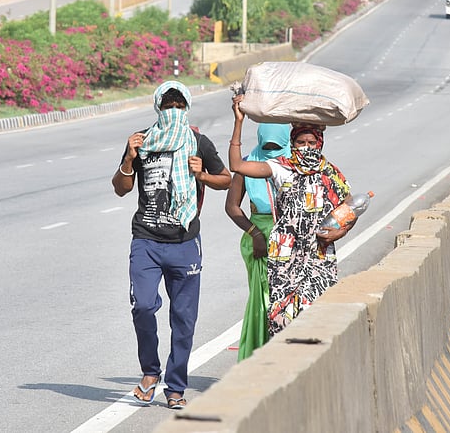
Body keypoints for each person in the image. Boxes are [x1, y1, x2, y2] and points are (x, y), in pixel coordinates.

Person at [112, 80, 231, 409]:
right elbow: (121, 188)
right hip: (146, 241)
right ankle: (151, 372)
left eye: (179, 108)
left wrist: (202, 174)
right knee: (143, 306)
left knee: (183, 319)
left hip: (184, 242)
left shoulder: (197, 142)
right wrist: (128, 159)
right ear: (158, 108)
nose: (173, 113)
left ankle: (175, 386)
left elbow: (226, 179)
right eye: (168, 107)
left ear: (186, 109)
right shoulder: (142, 140)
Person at [228, 94, 357, 336]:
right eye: (301, 143)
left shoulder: (329, 172)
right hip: (285, 253)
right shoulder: (281, 168)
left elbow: (350, 205)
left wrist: (341, 230)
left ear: (319, 144)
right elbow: (237, 166)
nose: (306, 148)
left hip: (318, 254)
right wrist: (238, 122)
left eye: (311, 143)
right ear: (292, 144)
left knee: (317, 316)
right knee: (282, 320)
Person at [224, 123, 291, 361]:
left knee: (287, 302)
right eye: (267, 146)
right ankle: (258, 358)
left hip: (289, 239)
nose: (272, 151)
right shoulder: (248, 163)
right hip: (259, 241)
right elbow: (232, 207)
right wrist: (255, 234)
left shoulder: (295, 164)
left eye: (277, 146)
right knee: (263, 302)